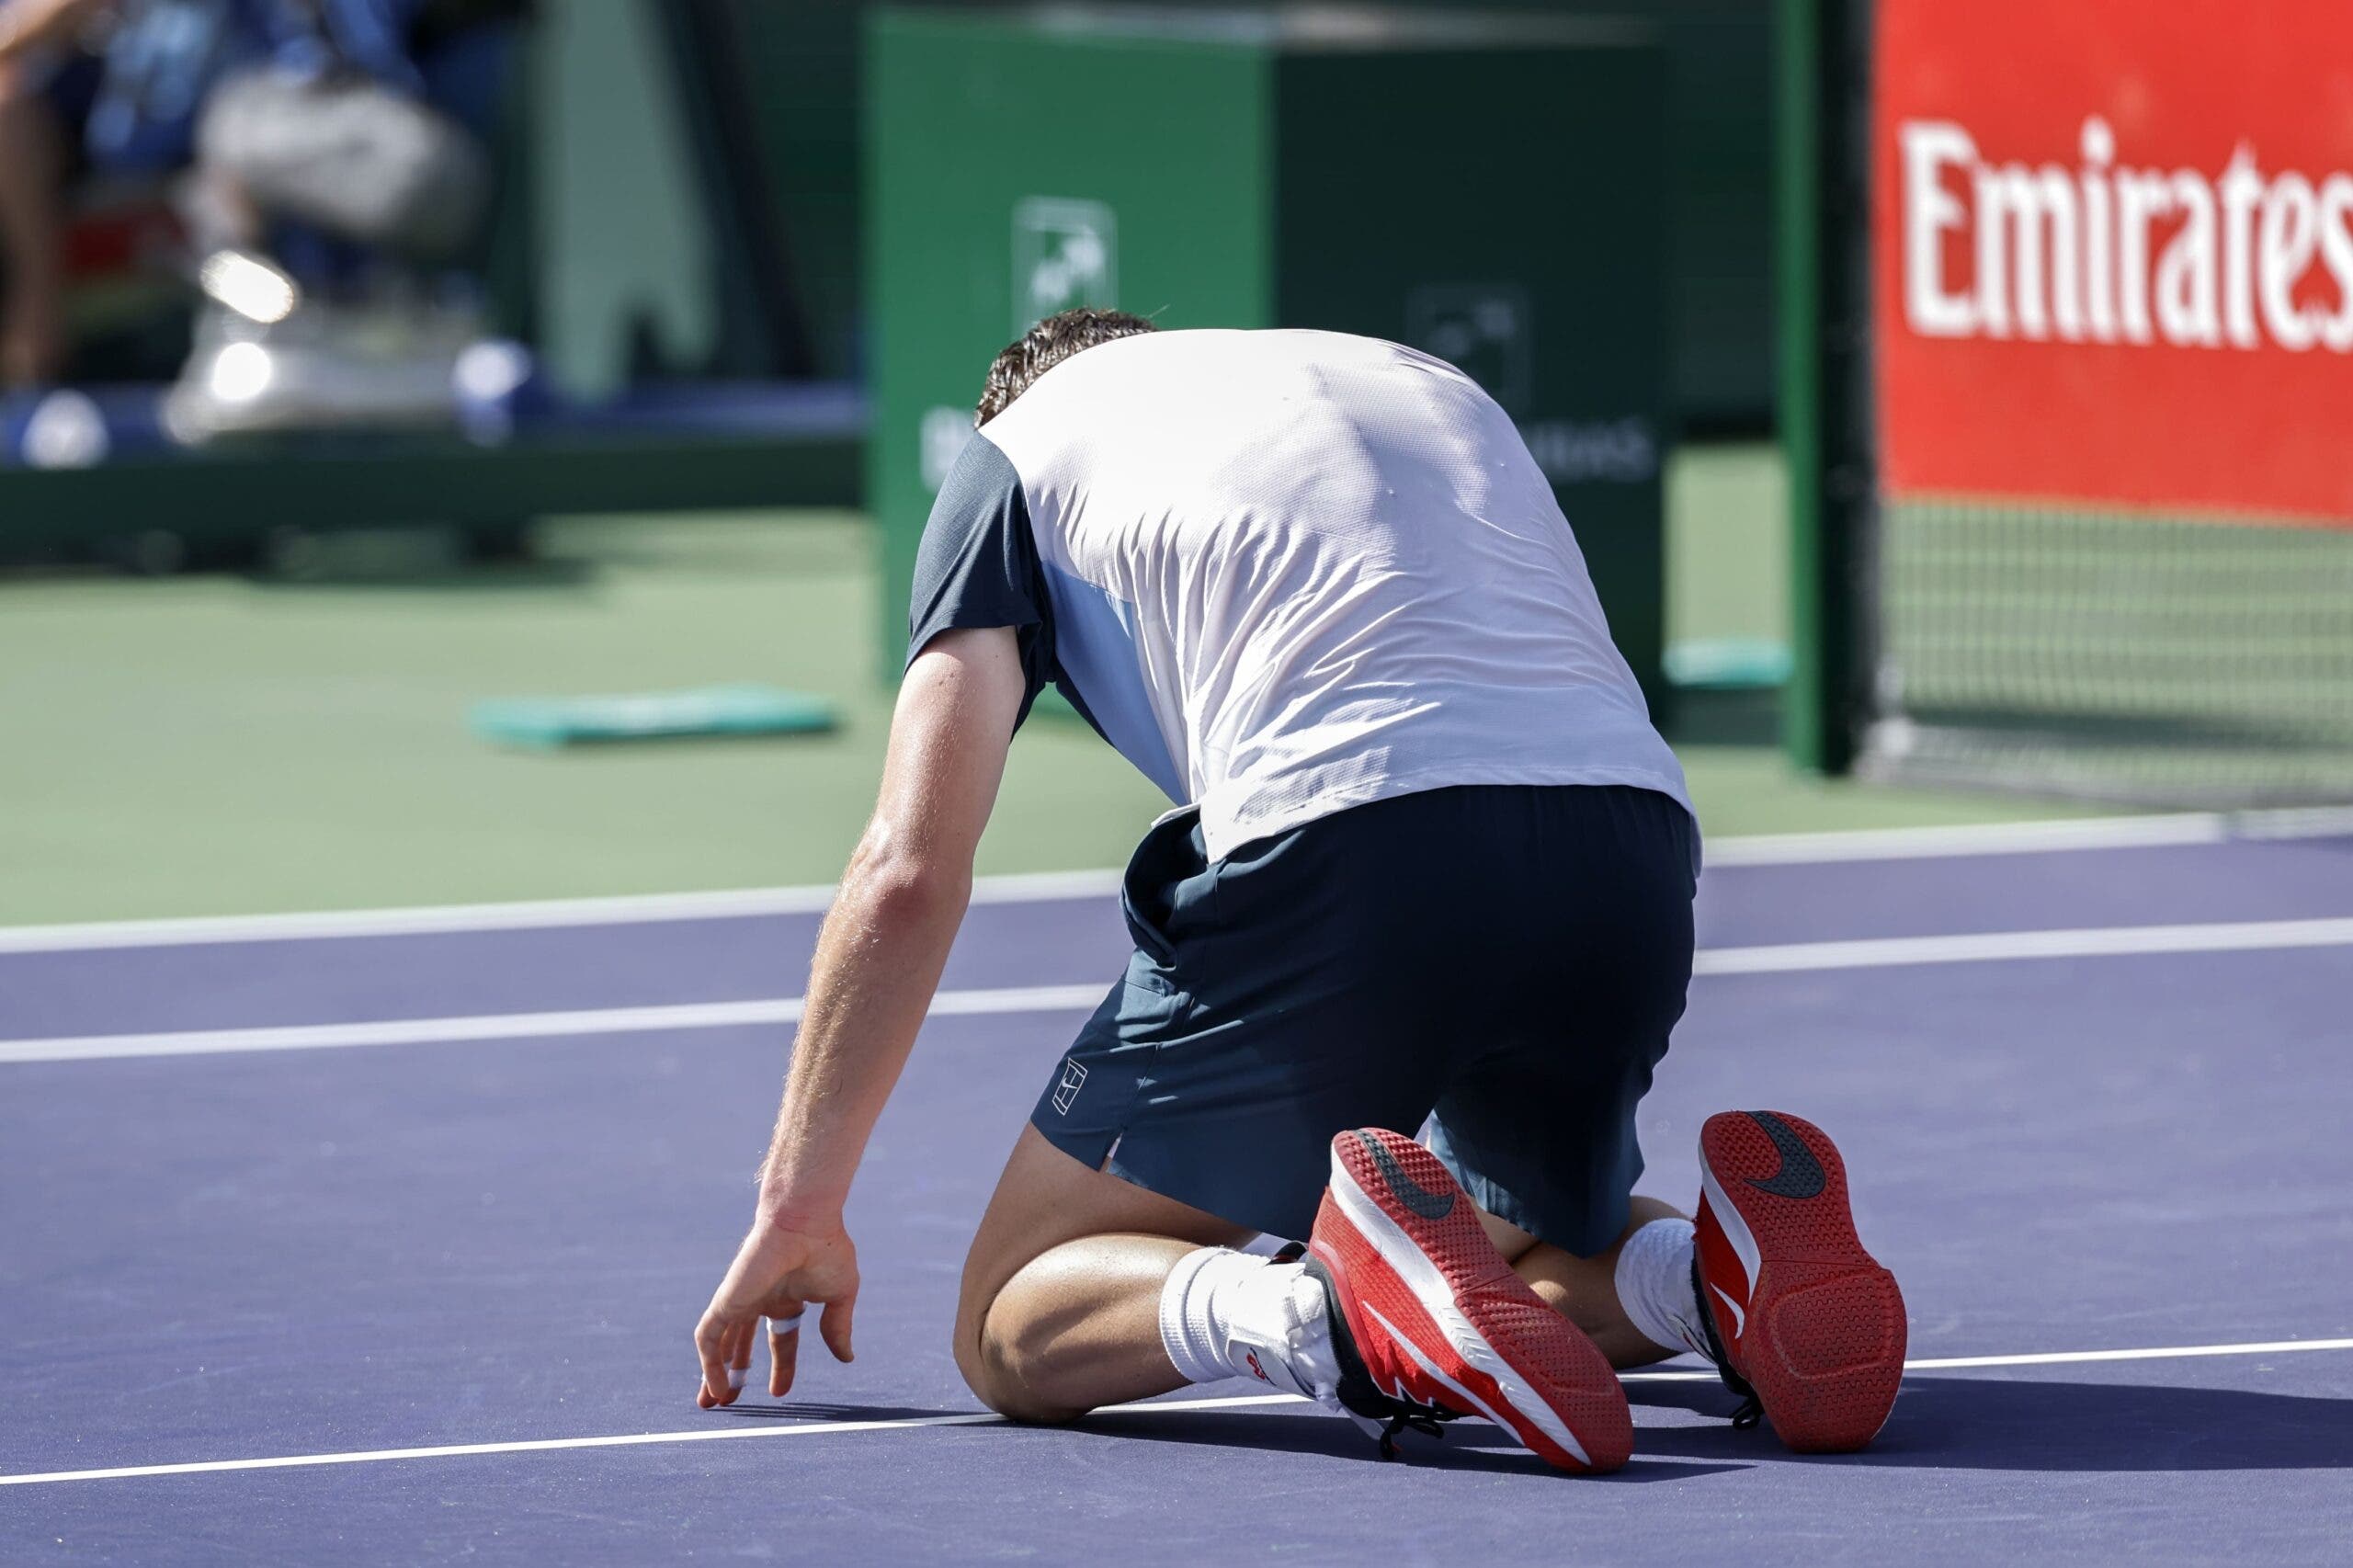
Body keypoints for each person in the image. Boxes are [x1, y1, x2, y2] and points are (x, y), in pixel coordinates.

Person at [690, 312, 1908, 1471]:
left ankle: (1321, 1307)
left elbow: (909, 867)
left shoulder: (1013, 454)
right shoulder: (1420, 380)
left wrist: (802, 1203)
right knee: (1512, 1238)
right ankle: (1700, 1280)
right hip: (1632, 852)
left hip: (1354, 844)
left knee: (1009, 1323)